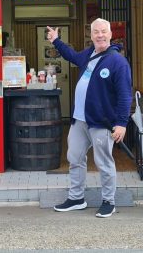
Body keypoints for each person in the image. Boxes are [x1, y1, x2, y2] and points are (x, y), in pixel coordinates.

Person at [49, 18, 132, 218]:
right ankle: (77, 198)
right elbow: (71, 55)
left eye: (104, 31)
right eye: (96, 32)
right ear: (92, 35)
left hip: (102, 122)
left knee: (104, 162)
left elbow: (125, 95)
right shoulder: (89, 54)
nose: (100, 35)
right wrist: (56, 41)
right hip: (79, 120)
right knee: (75, 158)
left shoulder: (118, 62)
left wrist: (121, 123)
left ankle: (108, 201)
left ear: (110, 34)